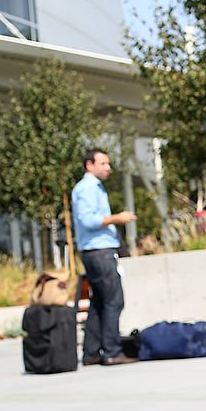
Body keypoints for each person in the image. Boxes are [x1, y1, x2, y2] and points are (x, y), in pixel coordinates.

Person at [71, 148, 139, 366]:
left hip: (97, 251)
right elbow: (88, 220)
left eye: (108, 164)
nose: (108, 168)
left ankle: (92, 353)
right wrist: (117, 218)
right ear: (89, 165)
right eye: (103, 164)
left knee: (99, 302)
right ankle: (112, 351)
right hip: (99, 252)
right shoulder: (87, 188)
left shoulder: (94, 188)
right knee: (114, 300)